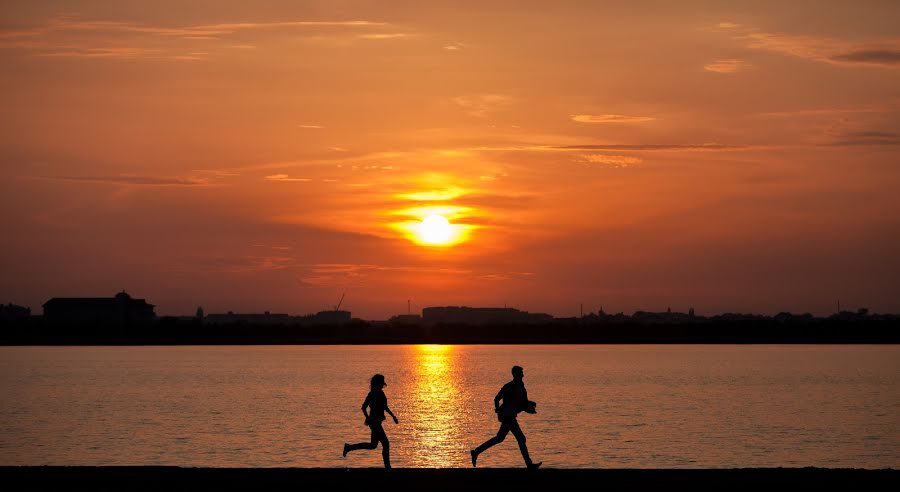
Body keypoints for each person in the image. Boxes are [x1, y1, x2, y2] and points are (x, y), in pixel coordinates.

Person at [470, 365, 542, 469]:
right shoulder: (509, 386)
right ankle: (529, 465)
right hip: (508, 417)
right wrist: (498, 410)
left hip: (511, 416)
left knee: (499, 438)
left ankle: (476, 452)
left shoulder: (522, 387)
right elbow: (496, 399)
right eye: (521, 373)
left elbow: (523, 403)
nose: (523, 375)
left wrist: (531, 404)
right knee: (520, 438)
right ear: (516, 374)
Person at [343, 373, 399, 468]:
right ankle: (388, 467)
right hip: (374, 422)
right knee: (386, 443)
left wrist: (393, 415)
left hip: (376, 421)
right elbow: (363, 407)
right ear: (377, 383)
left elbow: (385, 407)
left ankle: (349, 447)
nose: (382, 385)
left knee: (373, 445)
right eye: (380, 383)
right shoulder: (372, 394)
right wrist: (368, 418)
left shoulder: (381, 393)